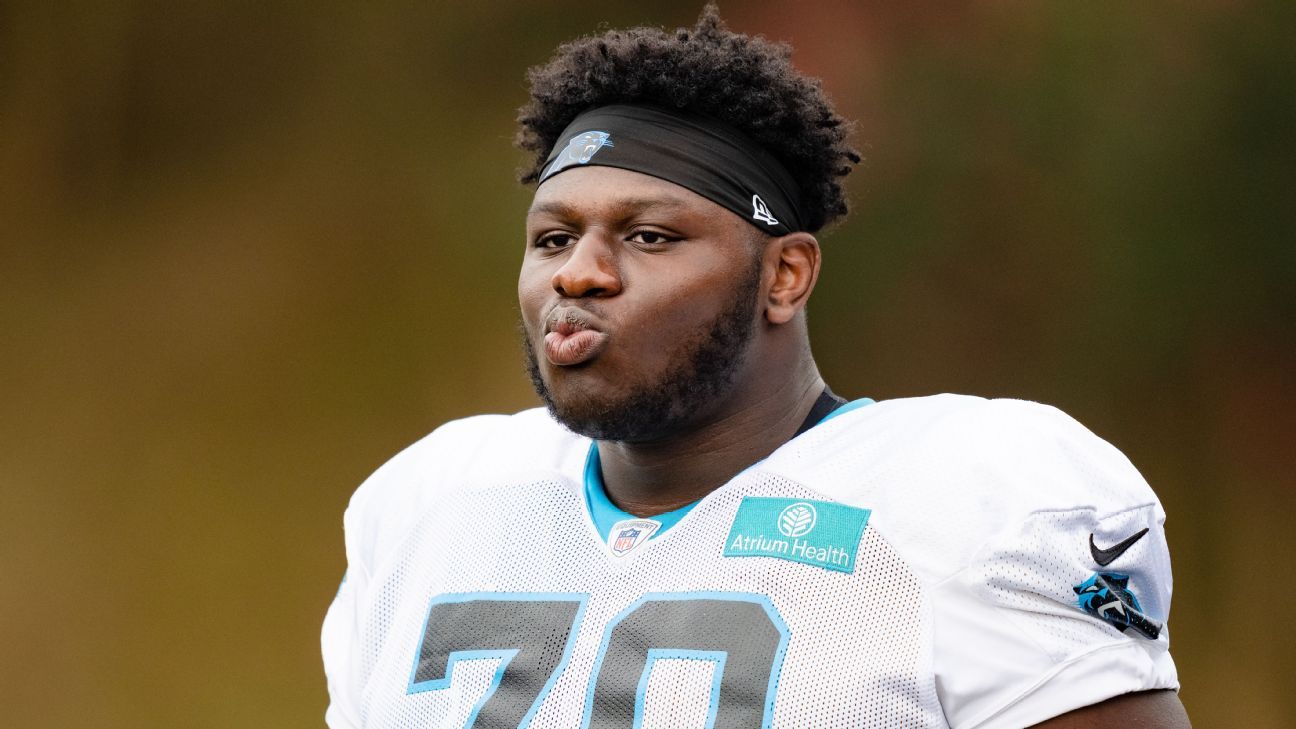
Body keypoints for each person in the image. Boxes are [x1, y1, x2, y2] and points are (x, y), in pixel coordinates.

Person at [322, 7, 1189, 728]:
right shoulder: (432, 505)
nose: (577, 273)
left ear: (785, 275)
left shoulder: (963, 501)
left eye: (649, 236)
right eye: (553, 238)